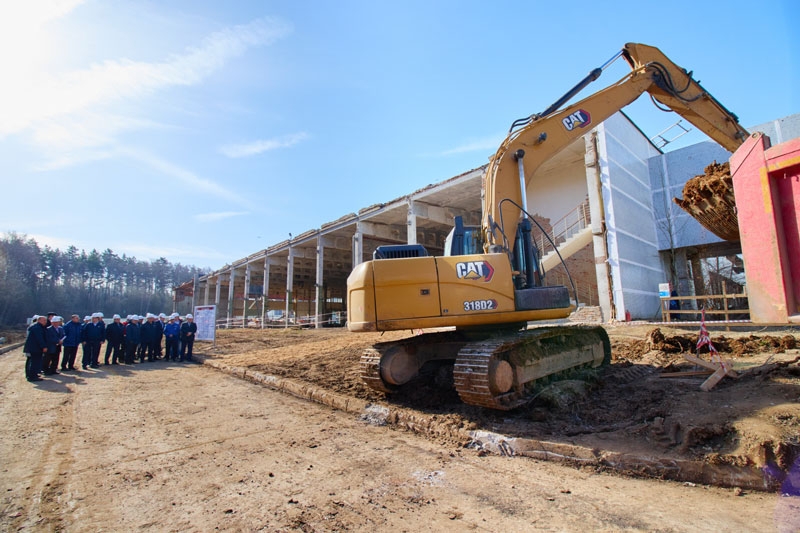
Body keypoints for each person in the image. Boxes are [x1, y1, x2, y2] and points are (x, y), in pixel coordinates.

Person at [24, 315, 48, 382]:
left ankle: (34, 374)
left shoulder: (39, 327)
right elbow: (39, 338)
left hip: (36, 348)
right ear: (39, 320)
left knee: (37, 362)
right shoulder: (37, 328)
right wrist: (44, 346)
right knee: (35, 362)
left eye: (45, 320)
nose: (45, 322)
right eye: (44, 320)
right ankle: (32, 376)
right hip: (35, 348)